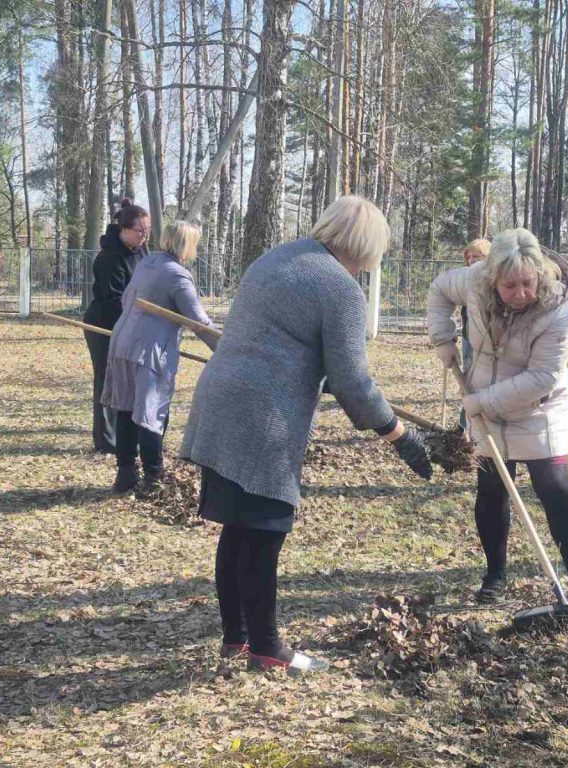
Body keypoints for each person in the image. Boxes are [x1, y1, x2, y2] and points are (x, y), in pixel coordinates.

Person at [181, 195, 432, 675]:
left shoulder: (278, 256)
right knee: (264, 531)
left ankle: (236, 639)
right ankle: (267, 648)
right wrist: (398, 435)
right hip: (262, 415)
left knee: (239, 527)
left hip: (219, 398)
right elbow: (352, 382)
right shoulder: (339, 288)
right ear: (367, 247)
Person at [426, 227, 568, 604]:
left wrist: (482, 401)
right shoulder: (474, 281)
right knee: (491, 488)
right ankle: (494, 576)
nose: (521, 293)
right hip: (485, 399)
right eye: (510, 286)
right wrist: (443, 338)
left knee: (553, 484)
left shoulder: (557, 310)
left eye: (527, 282)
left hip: (540, 404)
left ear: (540, 273)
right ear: (492, 280)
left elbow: (543, 376)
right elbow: (440, 290)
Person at [101, 221, 218, 494]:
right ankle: (153, 478)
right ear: (186, 244)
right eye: (195, 243)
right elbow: (198, 321)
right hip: (148, 351)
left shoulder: (148, 263)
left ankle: (125, 473)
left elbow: (126, 300)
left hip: (123, 342)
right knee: (150, 412)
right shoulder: (177, 274)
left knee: (127, 409)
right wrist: (224, 349)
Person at [83, 199, 150, 453]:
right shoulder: (108, 257)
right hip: (104, 324)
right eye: (139, 232)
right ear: (124, 230)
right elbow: (113, 299)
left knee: (127, 380)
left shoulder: (141, 251)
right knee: (106, 378)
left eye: (147, 232)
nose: (144, 237)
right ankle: (105, 440)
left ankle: (127, 434)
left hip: (130, 324)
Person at [459, 240, 491, 428]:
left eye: (476, 257)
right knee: (468, 383)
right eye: (468, 257)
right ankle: (465, 429)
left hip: (489, 341)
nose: (471, 261)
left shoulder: (495, 281)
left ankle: (483, 427)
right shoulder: (465, 279)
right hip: (468, 339)